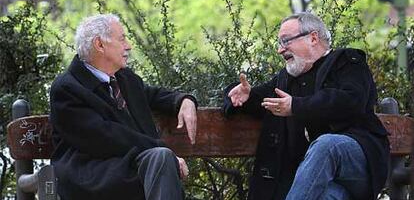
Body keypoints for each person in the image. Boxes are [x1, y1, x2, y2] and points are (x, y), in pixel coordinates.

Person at [223, 12, 389, 200]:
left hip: (360, 165)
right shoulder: (285, 79)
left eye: (286, 41)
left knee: (327, 145)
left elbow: (351, 101)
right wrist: (242, 94)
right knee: (328, 196)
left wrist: (296, 106)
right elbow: (260, 99)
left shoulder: (348, 61)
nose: (280, 50)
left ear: (313, 38)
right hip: (321, 179)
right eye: (279, 43)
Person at [50, 14, 197, 200]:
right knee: (161, 157)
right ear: (100, 45)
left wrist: (184, 100)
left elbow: (153, 95)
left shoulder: (124, 78)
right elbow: (105, 136)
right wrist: (159, 147)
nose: (129, 46)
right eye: (122, 39)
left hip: (133, 170)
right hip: (93, 178)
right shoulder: (67, 88)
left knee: (160, 159)